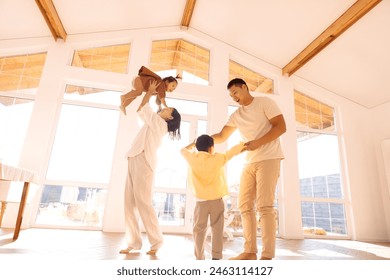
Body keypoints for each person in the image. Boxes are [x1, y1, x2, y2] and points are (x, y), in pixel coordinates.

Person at [211, 78, 286, 260]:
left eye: (235, 92)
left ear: (244, 87)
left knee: (265, 206)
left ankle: (267, 255)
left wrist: (257, 143)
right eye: (231, 95)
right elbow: (221, 135)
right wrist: (202, 140)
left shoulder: (265, 103)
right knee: (244, 205)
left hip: (269, 157)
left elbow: (281, 127)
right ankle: (250, 251)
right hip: (248, 162)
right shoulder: (236, 115)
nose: (234, 97)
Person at [120, 80, 181, 256]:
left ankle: (157, 242)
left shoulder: (160, 124)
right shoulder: (152, 121)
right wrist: (151, 94)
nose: (165, 108)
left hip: (144, 161)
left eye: (168, 109)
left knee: (143, 203)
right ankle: (133, 243)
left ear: (170, 117)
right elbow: (141, 110)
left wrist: (150, 91)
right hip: (133, 157)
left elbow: (145, 106)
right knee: (129, 203)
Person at [180, 135, 244, 260]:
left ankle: (199, 257)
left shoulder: (192, 158)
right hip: (216, 201)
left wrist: (192, 144)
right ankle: (216, 257)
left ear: (197, 147)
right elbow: (231, 153)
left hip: (200, 202)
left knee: (199, 230)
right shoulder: (218, 158)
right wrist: (242, 145)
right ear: (211, 147)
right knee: (217, 229)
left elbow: (182, 150)